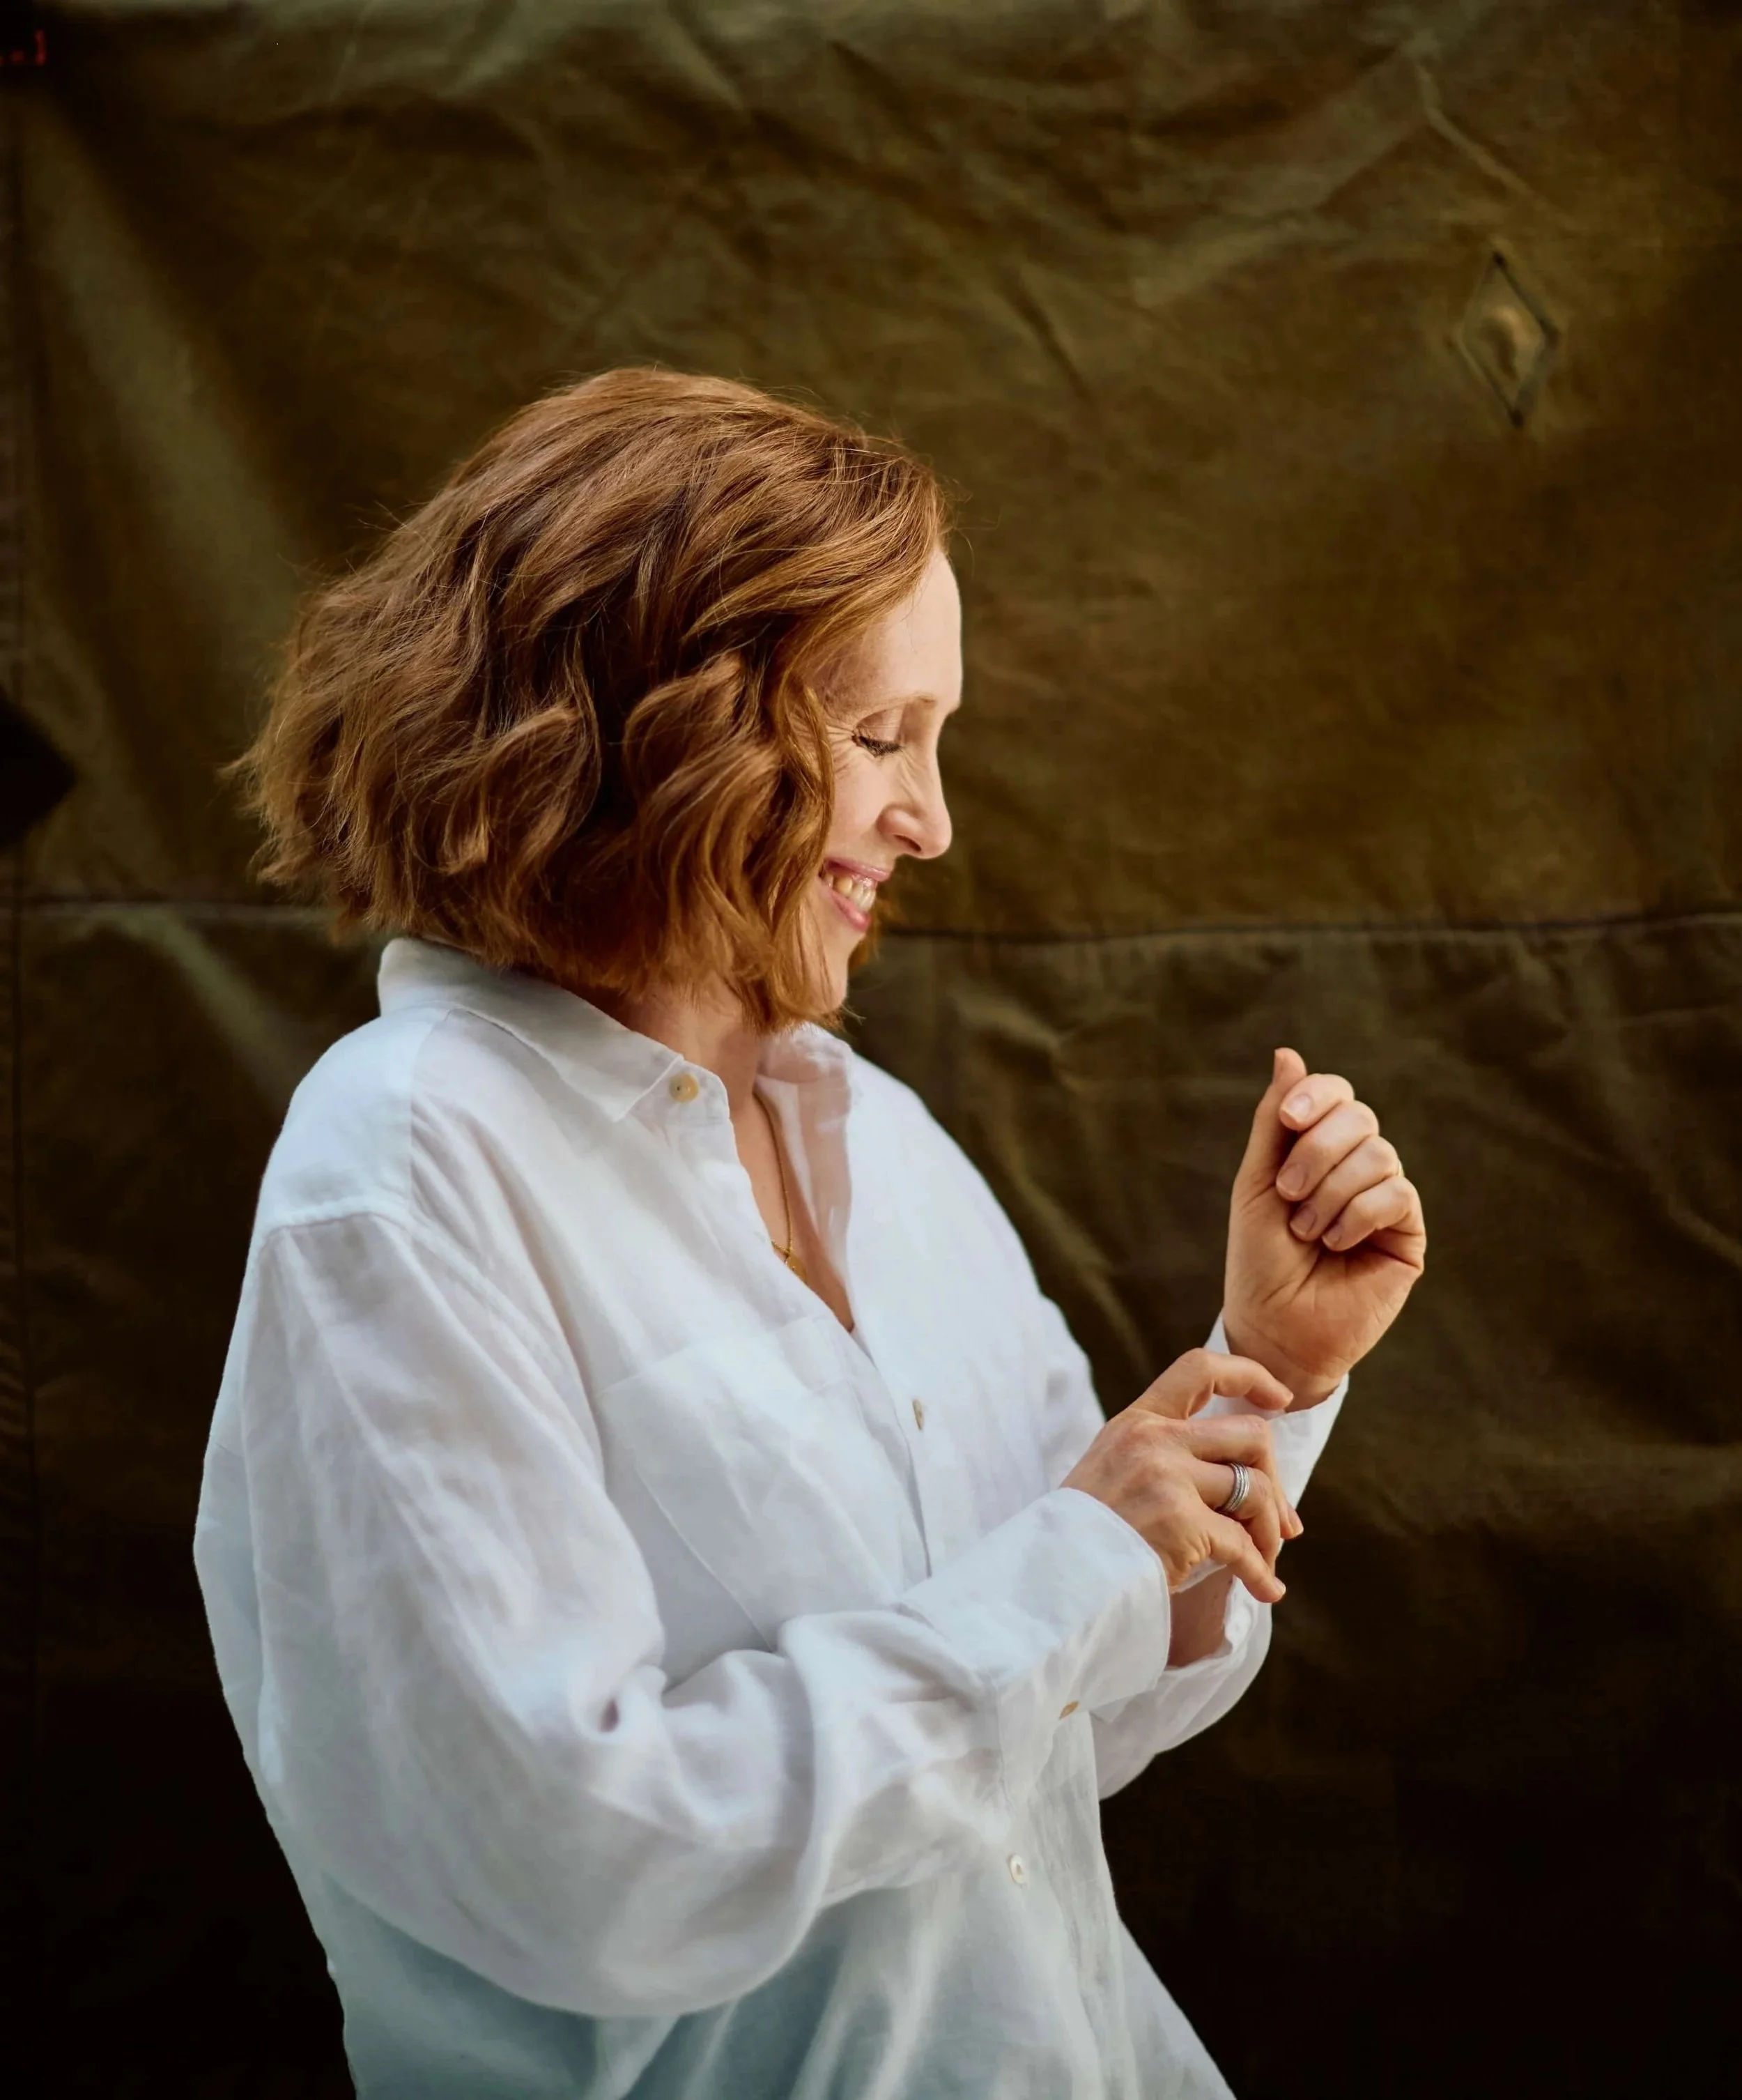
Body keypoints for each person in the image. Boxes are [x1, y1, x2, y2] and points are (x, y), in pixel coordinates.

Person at [195, 369, 1426, 2099]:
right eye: (876, 738)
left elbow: (1082, 1719)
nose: (931, 819)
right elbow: (575, 1864)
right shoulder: (402, 1167)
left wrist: (1262, 1377)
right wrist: (1078, 1554)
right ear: (655, 727)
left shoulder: (883, 1141)